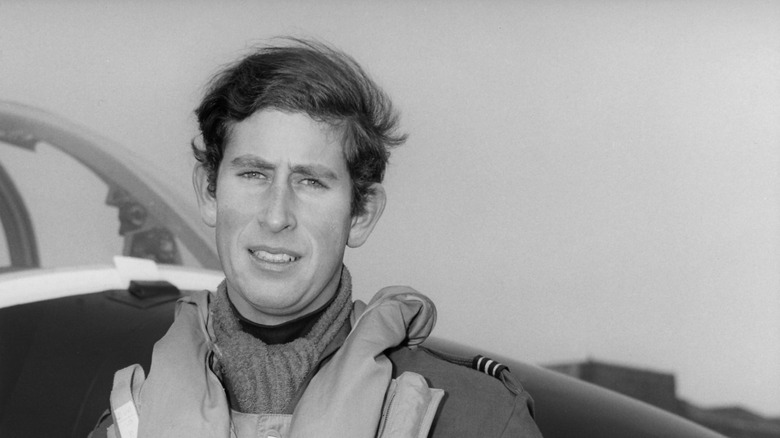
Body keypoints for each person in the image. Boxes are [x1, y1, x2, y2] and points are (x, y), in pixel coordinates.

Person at [93, 38, 542, 438]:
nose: (275, 216)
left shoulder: (477, 419)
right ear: (210, 192)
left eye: (310, 182)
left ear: (361, 214)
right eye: (253, 173)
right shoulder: (130, 424)